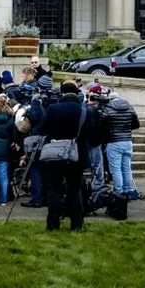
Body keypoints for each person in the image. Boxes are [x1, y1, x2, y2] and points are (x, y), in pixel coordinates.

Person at [40, 80, 95, 231]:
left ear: (62, 93)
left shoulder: (53, 109)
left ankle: (53, 223)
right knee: (74, 189)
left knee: (53, 188)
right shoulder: (85, 111)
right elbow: (91, 133)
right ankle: (77, 224)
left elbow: (43, 129)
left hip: (55, 153)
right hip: (77, 154)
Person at [99, 91, 140, 199]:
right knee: (126, 167)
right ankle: (128, 190)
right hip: (127, 141)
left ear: (110, 99)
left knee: (116, 169)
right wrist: (126, 128)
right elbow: (136, 124)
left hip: (114, 141)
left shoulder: (107, 108)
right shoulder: (129, 107)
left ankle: (118, 191)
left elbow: (101, 123)